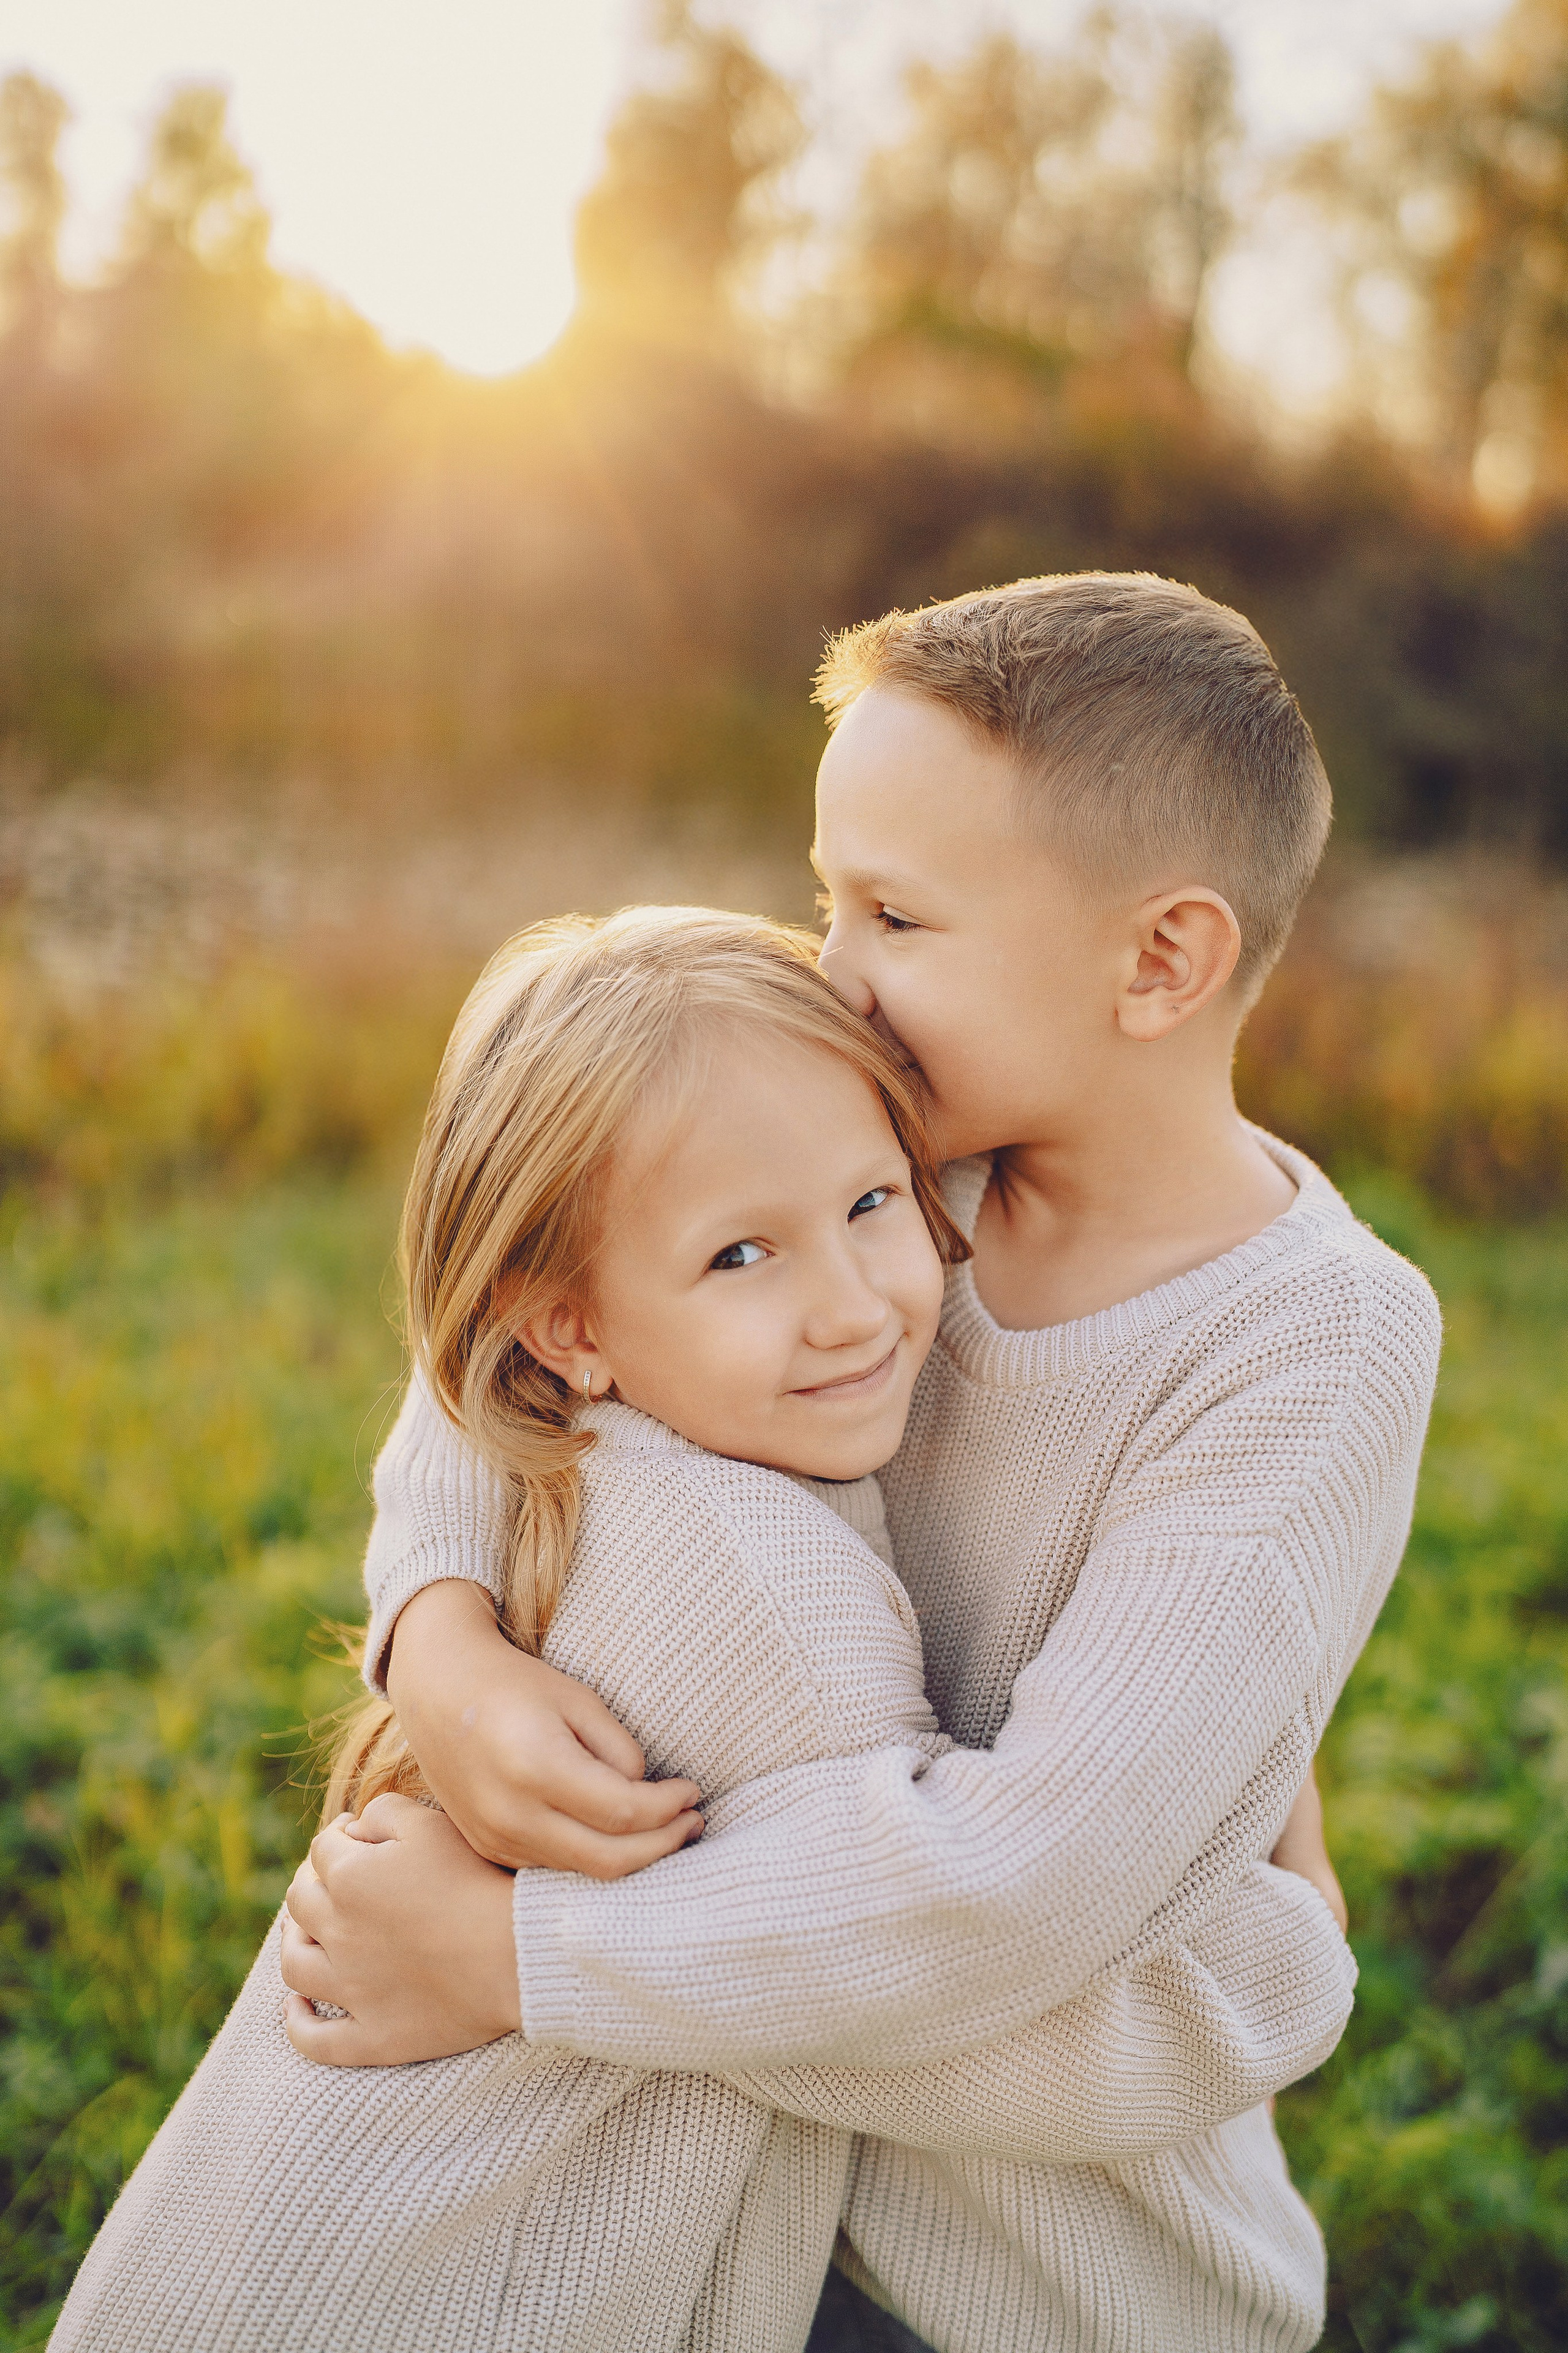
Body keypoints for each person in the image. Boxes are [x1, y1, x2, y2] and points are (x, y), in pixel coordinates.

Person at [279, 575, 1442, 2353]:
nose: (833, 971)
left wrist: (513, 1959)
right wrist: (437, 1628)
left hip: (1026, 2272)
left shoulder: (1305, 1348)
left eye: (894, 913)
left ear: (1161, 960)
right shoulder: (890, 1150)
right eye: (830, 894)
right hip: (721, 2192)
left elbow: (1025, 1886)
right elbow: (529, 1320)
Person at [50, 905, 1355, 2353]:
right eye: (743, 1257)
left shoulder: (591, 1414)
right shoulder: (772, 1619)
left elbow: (466, 1369)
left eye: (877, 1203)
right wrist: (1286, 1953)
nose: (854, 1306)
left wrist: (437, 1622)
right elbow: (943, 1995)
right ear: (568, 1327)